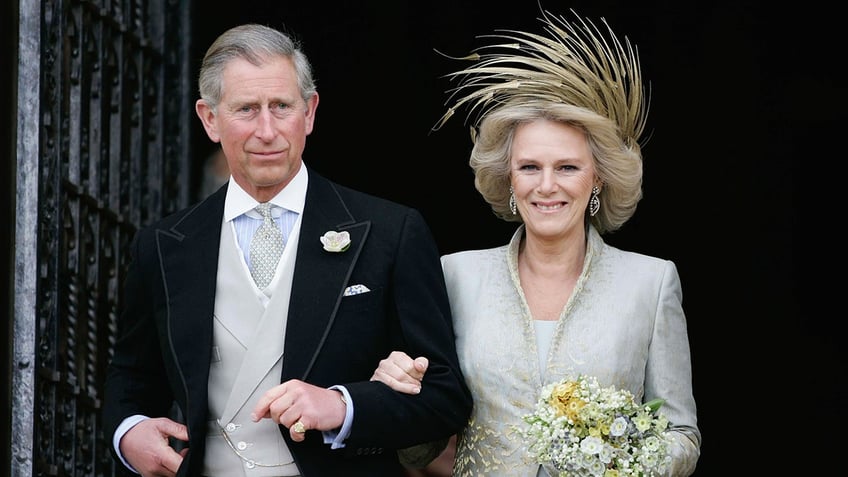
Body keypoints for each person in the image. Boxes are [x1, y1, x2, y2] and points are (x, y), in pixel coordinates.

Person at [102, 23, 472, 477]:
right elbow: (131, 378)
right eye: (246, 109)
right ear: (209, 119)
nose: (267, 130)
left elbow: (445, 395)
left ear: (310, 112)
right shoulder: (161, 246)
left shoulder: (392, 232)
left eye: (281, 107)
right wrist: (129, 431)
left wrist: (343, 406)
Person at [372, 9, 701, 476]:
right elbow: (418, 449)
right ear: (508, 178)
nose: (546, 186)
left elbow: (682, 436)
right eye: (530, 167)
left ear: (598, 180)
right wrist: (397, 398)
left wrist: (626, 460)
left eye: (567, 167)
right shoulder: (454, 276)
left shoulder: (650, 282)